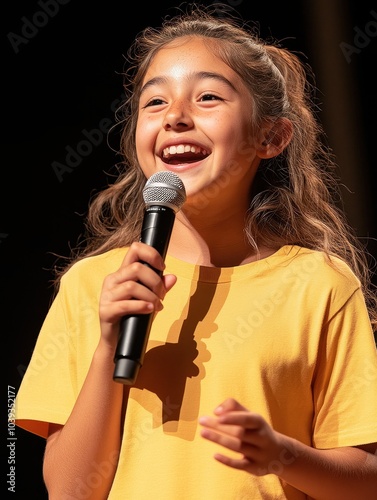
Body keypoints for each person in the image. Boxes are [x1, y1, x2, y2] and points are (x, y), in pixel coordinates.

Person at [14, 3, 377, 499]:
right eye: (155, 102)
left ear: (270, 136)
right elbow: (70, 492)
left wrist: (280, 455)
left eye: (207, 97)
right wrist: (107, 347)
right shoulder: (93, 285)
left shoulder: (321, 285)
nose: (176, 118)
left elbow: (367, 481)